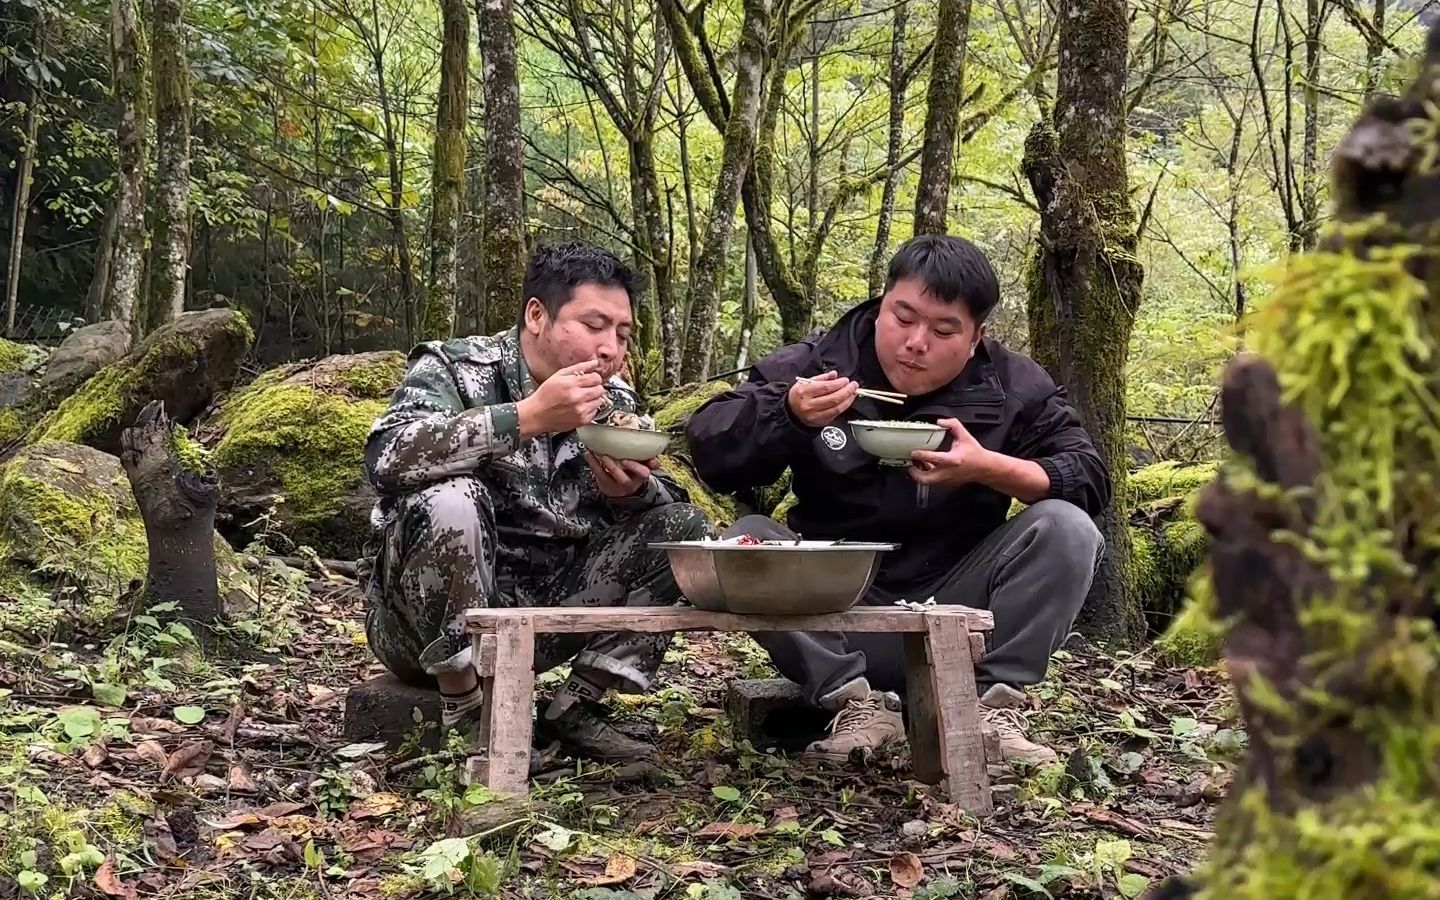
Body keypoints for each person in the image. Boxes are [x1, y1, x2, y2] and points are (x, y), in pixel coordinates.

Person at [684, 234, 1109, 766]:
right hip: (834, 608)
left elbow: (1090, 477)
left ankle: (986, 708)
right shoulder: (821, 362)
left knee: (1066, 526)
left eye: (942, 329)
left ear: (975, 337)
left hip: (956, 610)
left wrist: (989, 468)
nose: (915, 341)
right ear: (881, 304)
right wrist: (787, 413)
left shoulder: (1012, 384)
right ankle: (858, 707)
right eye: (902, 317)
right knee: (747, 537)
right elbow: (709, 445)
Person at [361, 241, 712, 763]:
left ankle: (575, 708)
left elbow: (661, 504)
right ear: (536, 316)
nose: (610, 348)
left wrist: (634, 493)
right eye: (594, 326)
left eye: (622, 333)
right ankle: (466, 708)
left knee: (682, 525)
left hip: (541, 618)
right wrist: (523, 418)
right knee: (453, 498)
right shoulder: (456, 368)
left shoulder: (614, 400)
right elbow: (387, 457)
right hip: (419, 627)